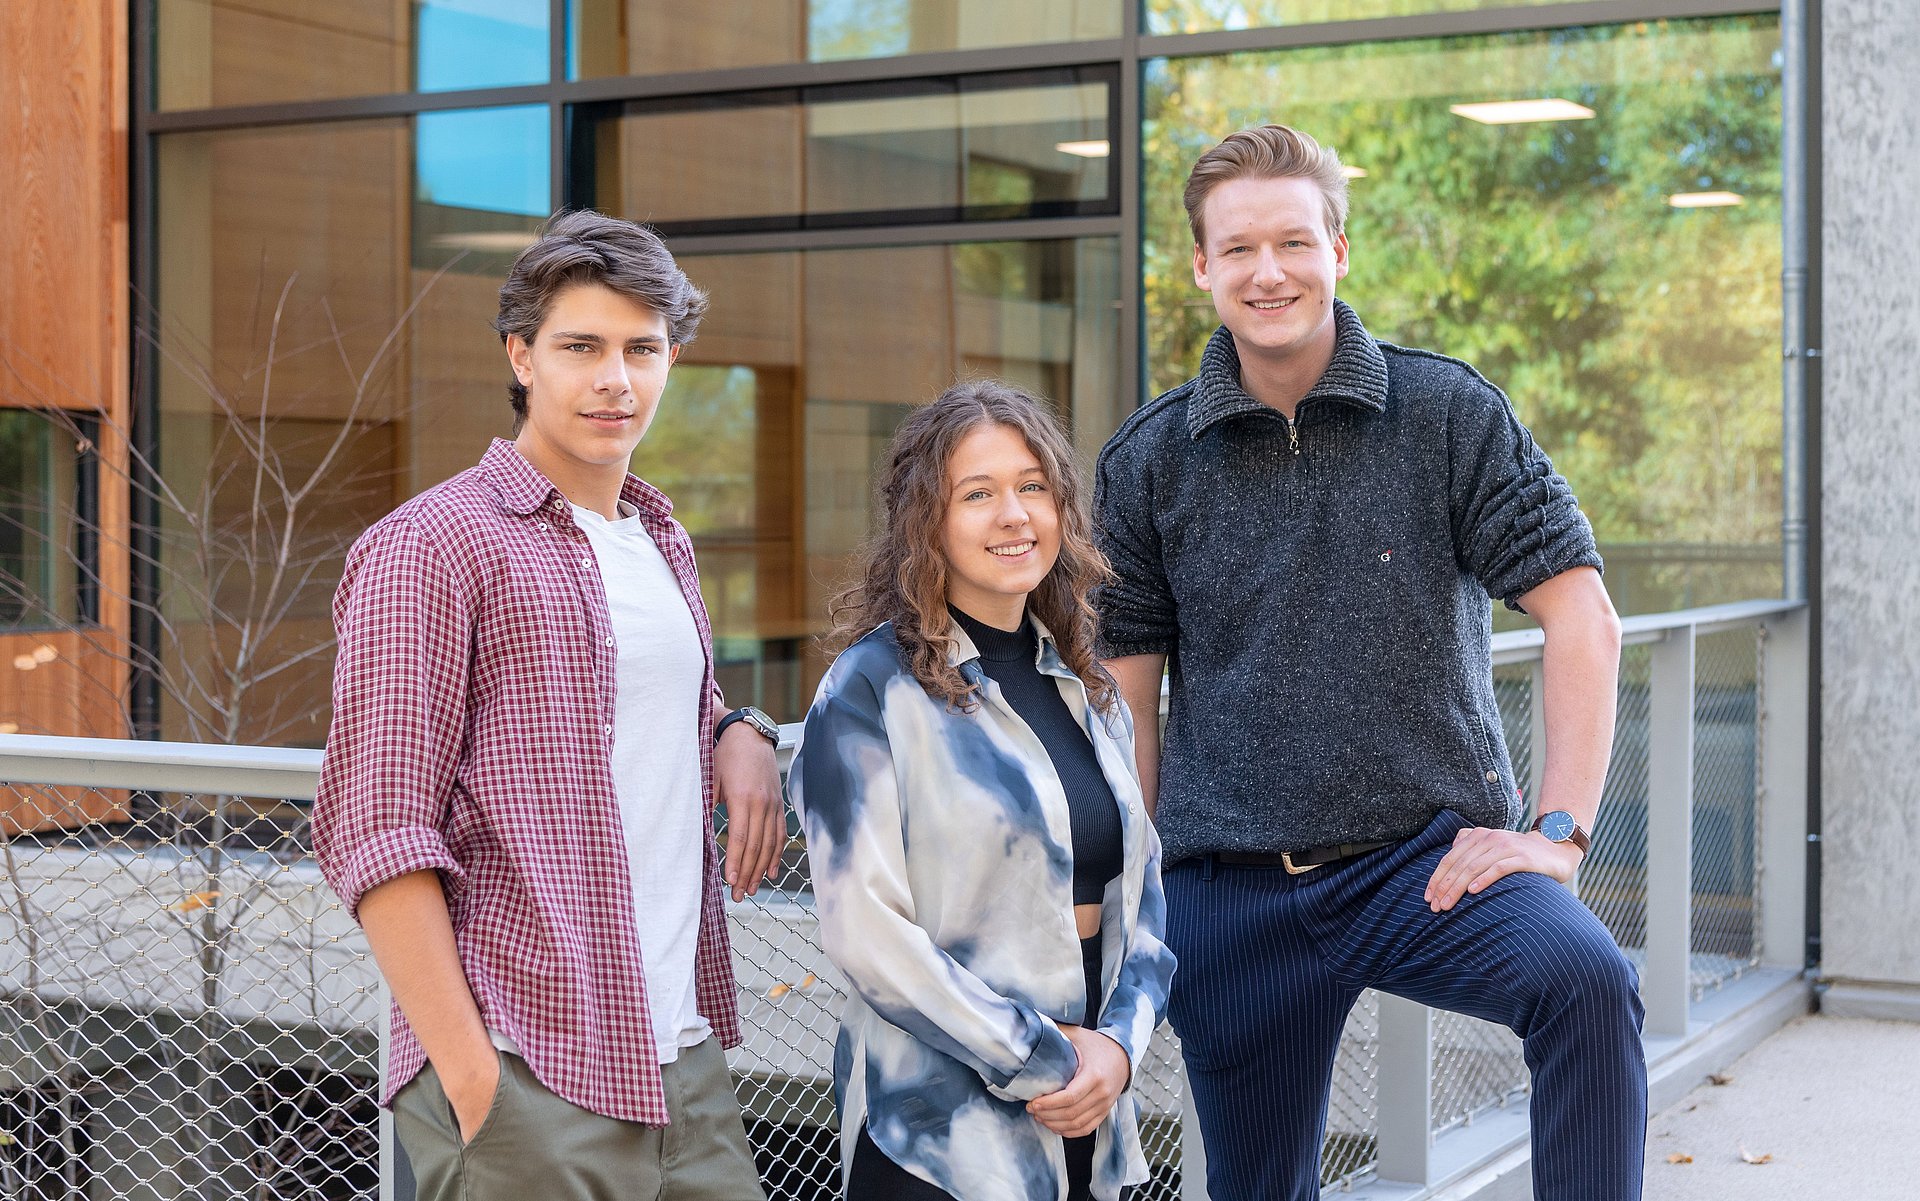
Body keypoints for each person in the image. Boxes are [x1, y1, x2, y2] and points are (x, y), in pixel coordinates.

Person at [1094, 125, 1644, 1200]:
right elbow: (1130, 696)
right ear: (1202, 267)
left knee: (1585, 982)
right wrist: (1142, 891)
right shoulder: (1150, 459)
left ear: (1338, 250)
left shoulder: (1447, 412)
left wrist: (1559, 832)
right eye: (1239, 248)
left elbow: (1586, 621)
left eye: (1295, 241)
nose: (1269, 272)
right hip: (1232, 887)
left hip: (1427, 863)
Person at [312, 209, 783, 1201]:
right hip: (525, 1064)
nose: (616, 378)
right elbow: (375, 827)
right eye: (582, 346)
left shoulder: (660, 536)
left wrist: (737, 730)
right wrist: (474, 1077)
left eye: (642, 349)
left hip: (679, 1055)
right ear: (521, 355)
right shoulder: (431, 547)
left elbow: (639, 718)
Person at [790, 380, 1175, 1201]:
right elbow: (869, 937)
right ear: (926, 521)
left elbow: (1145, 897)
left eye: (1033, 486)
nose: (1014, 514)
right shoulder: (870, 693)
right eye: (978, 493)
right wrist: (1044, 1057)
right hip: (939, 1137)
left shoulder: (1085, 681)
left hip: (1084, 1111)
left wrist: (1117, 1048)